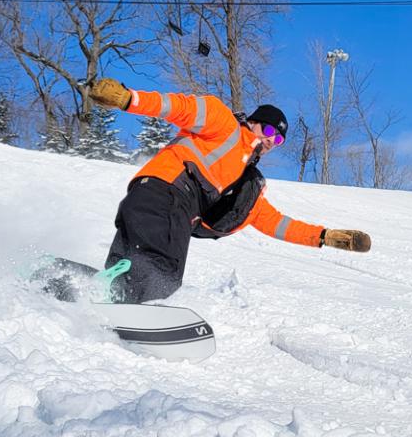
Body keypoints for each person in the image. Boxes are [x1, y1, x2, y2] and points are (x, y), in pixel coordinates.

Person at [88, 77, 371, 303]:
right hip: (168, 194)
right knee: (161, 272)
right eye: (270, 132)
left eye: (280, 140)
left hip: (149, 203)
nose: (272, 141)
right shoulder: (223, 124)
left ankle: (96, 298)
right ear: (253, 122)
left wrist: (323, 237)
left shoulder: (243, 184)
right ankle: (128, 305)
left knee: (130, 264)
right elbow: (178, 107)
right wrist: (129, 99)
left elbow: (276, 223)